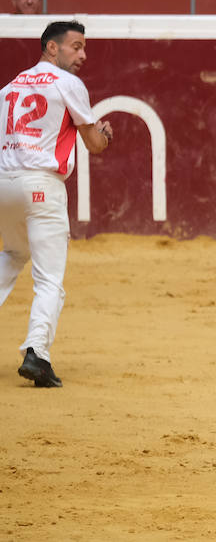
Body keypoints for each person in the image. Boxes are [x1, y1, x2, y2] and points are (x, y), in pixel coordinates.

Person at [0, 21, 116, 389]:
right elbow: (93, 143)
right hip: (41, 186)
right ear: (51, 48)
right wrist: (105, 135)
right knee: (49, 278)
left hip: (4, 184)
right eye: (75, 47)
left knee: (12, 255)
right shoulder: (67, 84)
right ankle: (38, 352)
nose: (82, 55)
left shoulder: (8, 88)